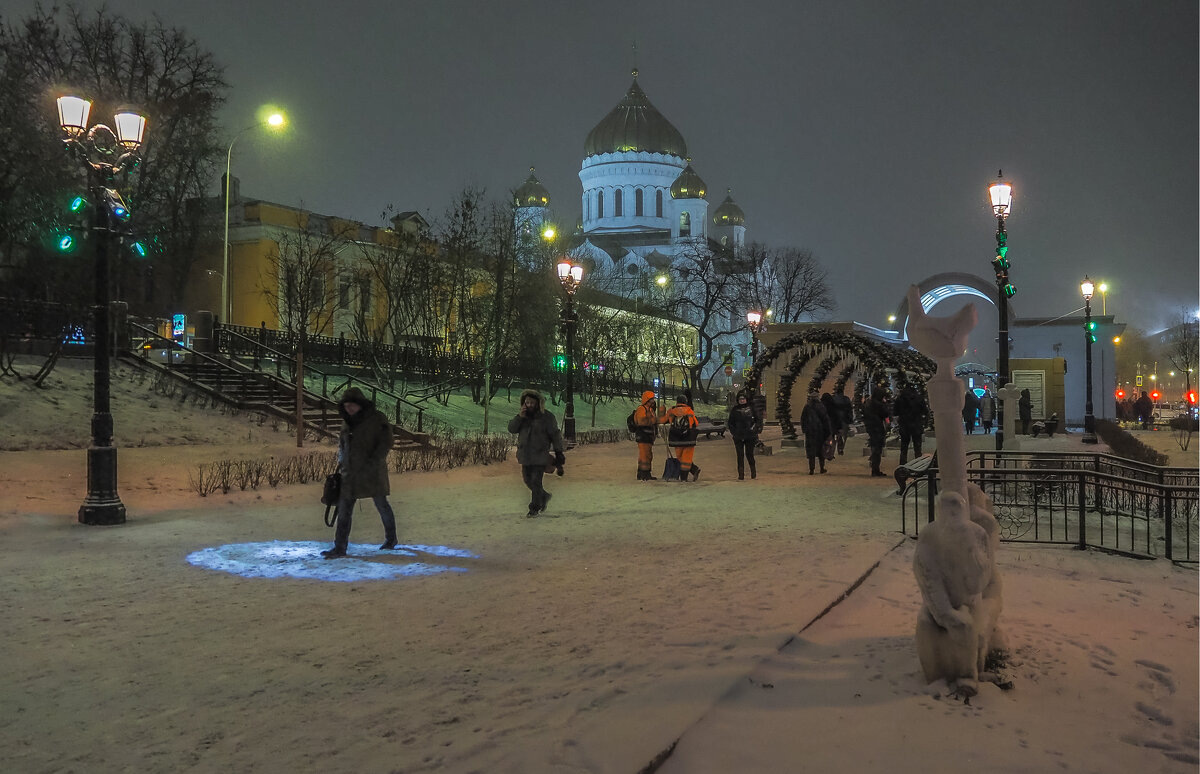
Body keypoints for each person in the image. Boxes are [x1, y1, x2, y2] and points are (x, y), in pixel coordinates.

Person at [321, 387, 398, 559]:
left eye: (352, 406)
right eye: (346, 406)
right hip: (350, 474)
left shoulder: (377, 419)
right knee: (344, 510)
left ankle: (391, 539)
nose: (349, 409)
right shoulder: (347, 422)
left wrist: (373, 462)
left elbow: (386, 443)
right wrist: (342, 462)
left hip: (372, 473)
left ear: (360, 405)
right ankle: (339, 547)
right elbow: (342, 444)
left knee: (381, 505)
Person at [507, 389, 565, 517]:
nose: (529, 405)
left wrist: (559, 452)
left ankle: (534, 507)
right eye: (527, 402)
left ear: (538, 403)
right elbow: (511, 428)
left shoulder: (547, 417)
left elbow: (555, 435)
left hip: (540, 455)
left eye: (532, 403)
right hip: (525, 455)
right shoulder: (523, 417)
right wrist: (519, 417)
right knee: (528, 480)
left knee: (536, 481)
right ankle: (544, 496)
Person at [726, 389, 762, 480]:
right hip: (738, 436)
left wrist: (755, 429)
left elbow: (758, 421)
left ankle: (753, 472)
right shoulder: (735, 410)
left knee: (749, 454)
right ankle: (741, 474)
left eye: (743, 399)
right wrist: (734, 432)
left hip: (750, 436)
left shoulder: (751, 408)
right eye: (740, 399)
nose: (742, 400)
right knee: (740, 455)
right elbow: (730, 423)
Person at [664, 395, 701, 481]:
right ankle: (685, 477)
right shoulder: (689, 411)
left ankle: (694, 470)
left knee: (680, 457)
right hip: (688, 439)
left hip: (676, 439)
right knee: (686, 459)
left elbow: (663, 420)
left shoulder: (672, 411)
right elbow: (695, 423)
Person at [892, 384, 928, 465]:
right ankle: (918, 464)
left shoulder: (900, 399)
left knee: (904, 446)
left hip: (904, 425)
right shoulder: (919, 398)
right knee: (917, 447)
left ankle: (902, 464)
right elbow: (925, 411)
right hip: (916, 424)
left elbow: (895, 412)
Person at [632, 391, 663, 480]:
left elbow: (653, 420)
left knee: (648, 455)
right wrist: (652, 421)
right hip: (643, 435)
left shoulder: (650, 409)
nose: (653, 401)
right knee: (644, 455)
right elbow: (641, 422)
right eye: (651, 399)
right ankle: (643, 474)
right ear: (647, 400)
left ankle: (645, 473)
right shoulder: (642, 409)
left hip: (648, 436)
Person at [799, 391, 833, 475]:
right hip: (820, 432)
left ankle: (811, 469)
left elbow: (803, 419)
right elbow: (825, 420)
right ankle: (821, 468)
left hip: (810, 432)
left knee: (811, 452)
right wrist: (828, 432)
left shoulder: (807, 407)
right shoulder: (821, 406)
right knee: (821, 450)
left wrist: (805, 429)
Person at [863, 387, 891, 478]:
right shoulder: (879, 404)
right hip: (877, 428)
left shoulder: (869, 404)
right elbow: (886, 413)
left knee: (875, 448)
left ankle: (875, 469)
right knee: (877, 450)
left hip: (871, 428)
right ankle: (875, 470)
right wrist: (885, 403)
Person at [829, 387, 854, 455]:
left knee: (833, 434)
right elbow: (849, 410)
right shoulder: (846, 399)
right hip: (844, 419)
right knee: (842, 435)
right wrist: (850, 419)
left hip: (834, 419)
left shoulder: (832, 398)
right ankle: (840, 448)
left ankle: (832, 449)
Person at [820, 392, 844, 458]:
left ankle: (823, 452)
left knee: (823, 441)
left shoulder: (821, 406)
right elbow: (837, 417)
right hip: (832, 427)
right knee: (832, 440)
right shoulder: (833, 406)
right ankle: (830, 453)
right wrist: (839, 427)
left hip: (823, 427)